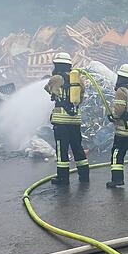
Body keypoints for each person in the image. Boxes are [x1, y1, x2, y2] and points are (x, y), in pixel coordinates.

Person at [44, 52, 89, 185]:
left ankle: (63, 178)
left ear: (57, 65)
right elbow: (81, 97)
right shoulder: (78, 80)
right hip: (75, 120)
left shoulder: (56, 78)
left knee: (62, 150)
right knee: (77, 147)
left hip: (61, 121)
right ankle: (84, 175)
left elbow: (48, 89)